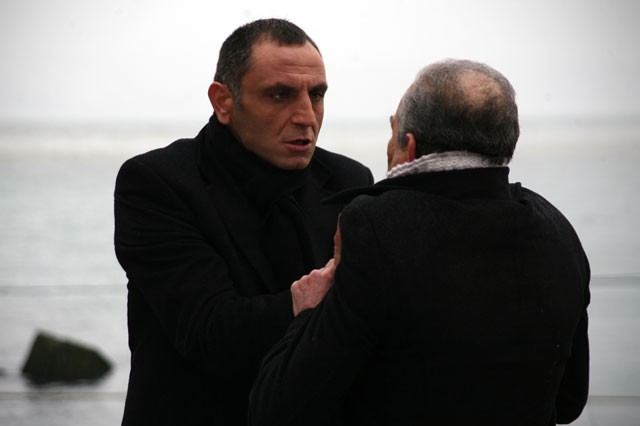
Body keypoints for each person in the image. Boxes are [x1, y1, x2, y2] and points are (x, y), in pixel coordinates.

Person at [249, 59, 591, 425]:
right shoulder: (557, 229)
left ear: (409, 147)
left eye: (393, 130)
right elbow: (569, 400)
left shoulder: (376, 226)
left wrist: (308, 312)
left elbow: (280, 409)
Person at [113, 18, 373, 426]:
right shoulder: (158, 182)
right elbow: (209, 332)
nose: (306, 116)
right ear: (223, 102)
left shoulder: (348, 181)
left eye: (317, 94)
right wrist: (304, 303)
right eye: (280, 95)